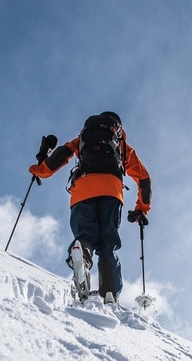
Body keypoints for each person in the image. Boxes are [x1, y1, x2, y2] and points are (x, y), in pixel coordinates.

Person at [29, 111, 151, 306]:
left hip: (83, 191)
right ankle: (110, 292)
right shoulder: (122, 147)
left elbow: (59, 156)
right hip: (111, 192)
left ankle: (82, 257)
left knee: (85, 235)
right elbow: (144, 180)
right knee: (107, 242)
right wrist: (142, 209)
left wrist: (38, 169)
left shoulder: (81, 140)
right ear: (117, 128)